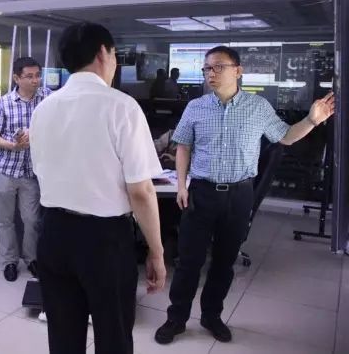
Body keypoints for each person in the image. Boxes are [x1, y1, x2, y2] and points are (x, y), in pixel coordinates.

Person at [155, 45, 335, 345]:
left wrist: (312, 120)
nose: (211, 73)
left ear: (238, 71)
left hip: (239, 195)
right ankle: (176, 318)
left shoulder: (258, 107)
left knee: (224, 262)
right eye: (207, 68)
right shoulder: (196, 107)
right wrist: (182, 185)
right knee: (188, 261)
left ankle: (212, 316)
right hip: (201, 193)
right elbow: (183, 145)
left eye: (218, 67)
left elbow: (286, 136)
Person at [30, 22, 167, 354]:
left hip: (53, 233)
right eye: (115, 54)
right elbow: (141, 191)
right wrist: (157, 251)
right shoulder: (121, 106)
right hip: (104, 240)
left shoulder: (44, 108)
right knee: (114, 336)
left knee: (63, 337)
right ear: (103, 53)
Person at [0, 57, 50, 282]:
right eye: (29, 76)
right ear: (16, 78)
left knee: (32, 220)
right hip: (5, 169)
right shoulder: (4, 103)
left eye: (38, 75)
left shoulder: (47, 98)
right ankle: (9, 261)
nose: (35, 80)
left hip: (31, 171)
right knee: (5, 220)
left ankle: (31, 258)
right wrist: (13, 145)